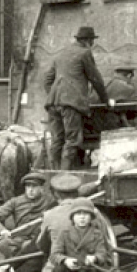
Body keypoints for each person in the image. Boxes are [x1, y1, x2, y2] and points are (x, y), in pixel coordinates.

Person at [43, 25, 109, 170]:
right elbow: (95, 79)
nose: (92, 45)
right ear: (87, 40)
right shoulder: (84, 53)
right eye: (92, 41)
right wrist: (106, 101)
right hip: (70, 104)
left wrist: (57, 95)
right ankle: (63, 178)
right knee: (73, 140)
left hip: (53, 103)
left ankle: (53, 173)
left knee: (57, 140)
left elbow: (47, 81)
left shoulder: (60, 54)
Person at [0, 170, 54, 272]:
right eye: (28, 186)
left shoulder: (50, 201)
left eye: (34, 186)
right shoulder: (16, 202)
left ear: (42, 188)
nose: (30, 190)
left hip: (39, 239)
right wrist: (2, 230)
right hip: (20, 238)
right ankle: (11, 270)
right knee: (4, 244)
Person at [49, 200, 113, 272]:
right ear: (72, 217)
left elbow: (102, 253)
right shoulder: (64, 233)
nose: (82, 217)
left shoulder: (97, 234)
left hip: (89, 270)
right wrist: (65, 260)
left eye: (86, 214)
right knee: (58, 271)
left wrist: (94, 258)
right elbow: (54, 254)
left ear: (91, 217)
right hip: (69, 271)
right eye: (78, 214)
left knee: (102, 270)